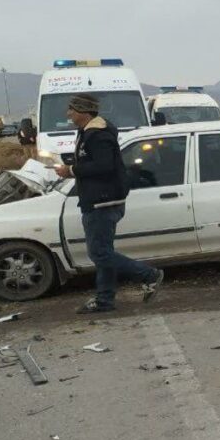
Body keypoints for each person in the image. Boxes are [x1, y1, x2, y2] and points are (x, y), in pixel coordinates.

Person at [53, 94, 164, 314]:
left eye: (72, 110)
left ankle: (149, 275)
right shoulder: (88, 132)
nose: (68, 114)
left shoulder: (98, 135)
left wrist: (72, 170)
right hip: (98, 200)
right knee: (104, 252)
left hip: (102, 201)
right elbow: (93, 162)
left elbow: (104, 166)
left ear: (84, 112)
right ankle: (105, 299)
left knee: (100, 254)